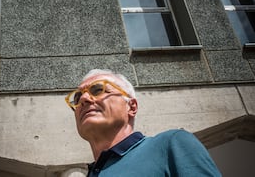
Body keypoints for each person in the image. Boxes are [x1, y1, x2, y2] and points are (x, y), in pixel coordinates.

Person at [65, 69, 221, 176]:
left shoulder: (171, 144)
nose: (84, 99)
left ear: (131, 107)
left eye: (97, 90)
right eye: (77, 98)